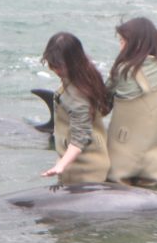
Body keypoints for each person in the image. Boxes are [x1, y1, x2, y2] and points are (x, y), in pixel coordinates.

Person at [106, 17, 157, 186]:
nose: (120, 46)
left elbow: (102, 105)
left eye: (122, 41)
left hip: (119, 162)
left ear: (133, 43)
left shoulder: (123, 70)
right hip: (154, 165)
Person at [39, 32, 112, 183]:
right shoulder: (85, 76)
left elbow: (81, 137)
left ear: (72, 62)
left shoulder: (78, 95)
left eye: (59, 66)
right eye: (52, 64)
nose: (55, 70)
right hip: (81, 163)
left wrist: (61, 165)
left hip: (85, 169)